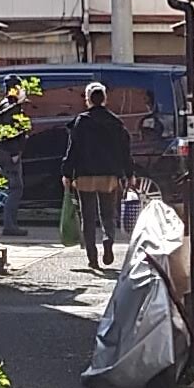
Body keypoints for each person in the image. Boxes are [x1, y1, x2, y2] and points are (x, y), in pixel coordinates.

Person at [61, 79, 134, 271]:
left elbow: (73, 150)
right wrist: (129, 173)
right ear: (105, 99)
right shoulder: (115, 123)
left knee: (88, 216)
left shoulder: (81, 122)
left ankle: (92, 257)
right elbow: (125, 151)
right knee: (108, 214)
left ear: (88, 99)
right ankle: (108, 240)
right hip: (109, 175)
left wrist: (67, 173)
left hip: (85, 174)